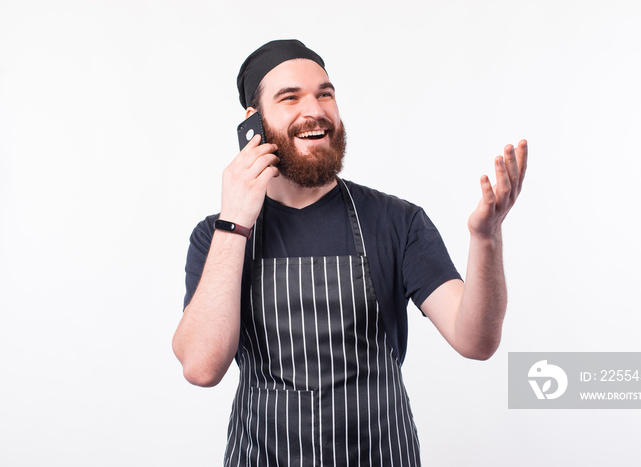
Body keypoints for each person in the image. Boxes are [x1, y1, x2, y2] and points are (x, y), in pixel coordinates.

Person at [173, 39, 528, 467]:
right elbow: (200, 367)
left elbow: (476, 341)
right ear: (254, 124)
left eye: (325, 94)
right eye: (291, 98)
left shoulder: (396, 221)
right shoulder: (215, 237)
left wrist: (486, 239)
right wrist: (235, 222)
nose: (316, 110)